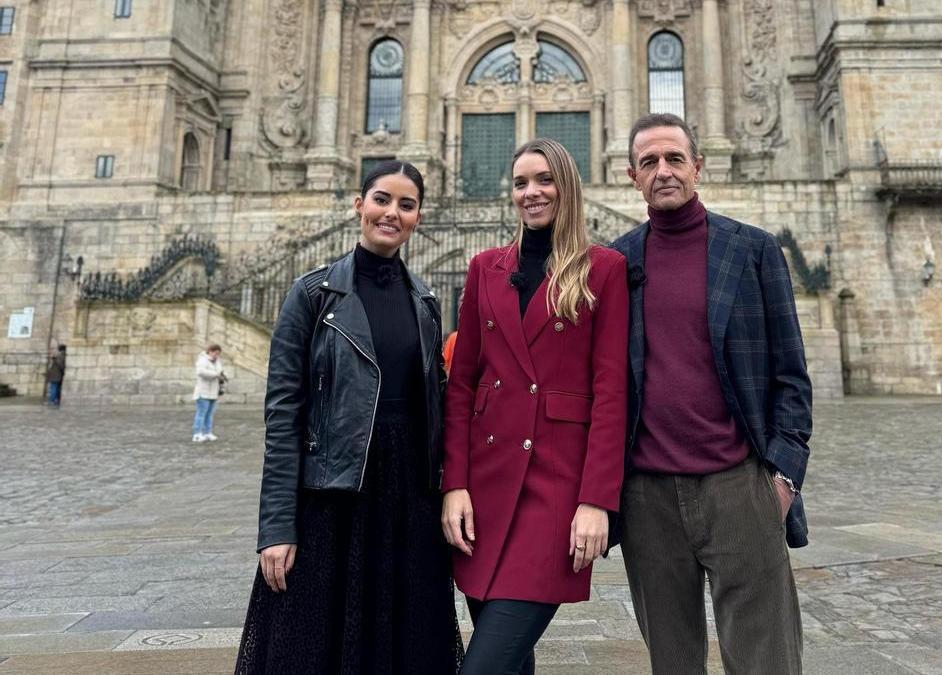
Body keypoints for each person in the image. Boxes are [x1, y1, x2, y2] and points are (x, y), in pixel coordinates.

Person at [236, 161, 463, 673]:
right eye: (382, 199)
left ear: (418, 217)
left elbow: (438, 405)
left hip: (408, 498)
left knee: (406, 642)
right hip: (332, 497)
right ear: (359, 205)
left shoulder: (426, 302)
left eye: (406, 205)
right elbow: (283, 415)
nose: (392, 213)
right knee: (316, 644)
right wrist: (276, 527)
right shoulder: (311, 295)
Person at [609, 113, 813, 674]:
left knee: (766, 659)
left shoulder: (752, 250)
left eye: (675, 158)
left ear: (698, 166)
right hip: (648, 495)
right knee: (672, 663)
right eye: (649, 162)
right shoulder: (614, 262)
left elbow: (790, 374)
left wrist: (783, 476)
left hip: (738, 485)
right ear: (632, 176)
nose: (664, 171)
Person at [442, 138, 629, 675]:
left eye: (544, 180)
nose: (532, 192)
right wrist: (454, 485)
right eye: (521, 182)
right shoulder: (485, 268)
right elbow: (462, 385)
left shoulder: (604, 269)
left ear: (566, 185)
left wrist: (597, 501)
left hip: (556, 491)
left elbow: (611, 393)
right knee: (509, 662)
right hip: (486, 489)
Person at [192, 344, 223, 442]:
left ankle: (207, 432)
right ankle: (197, 434)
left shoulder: (217, 362)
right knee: (201, 413)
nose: (216, 355)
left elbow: (220, 371)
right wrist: (215, 375)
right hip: (203, 392)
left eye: (218, 354)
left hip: (213, 392)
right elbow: (200, 372)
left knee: (210, 414)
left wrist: (221, 375)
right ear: (210, 351)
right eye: (215, 353)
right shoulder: (202, 360)